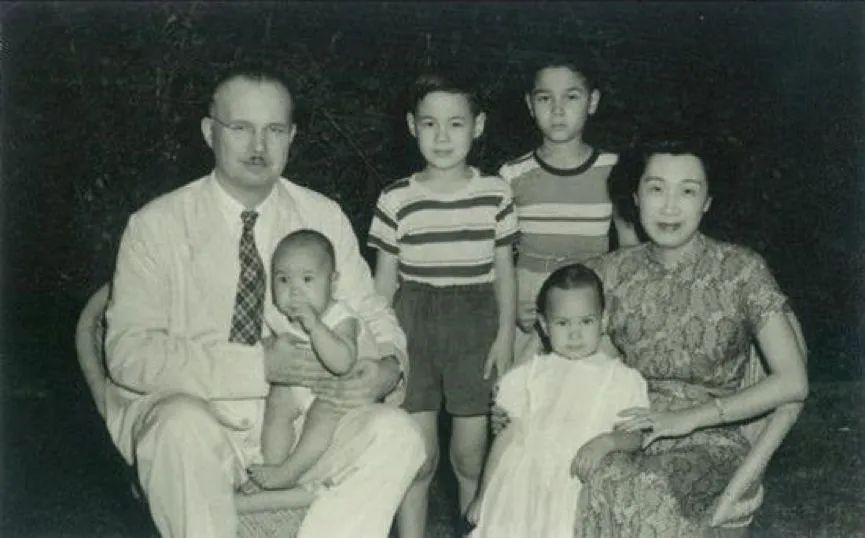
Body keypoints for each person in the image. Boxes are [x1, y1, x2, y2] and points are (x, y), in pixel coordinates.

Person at [103, 66, 425, 538]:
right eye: (241, 128)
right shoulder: (156, 226)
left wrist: (389, 368)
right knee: (180, 427)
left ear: (291, 137)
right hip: (199, 422)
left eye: (274, 130)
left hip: (305, 430)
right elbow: (128, 354)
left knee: (398, 435)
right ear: (209, 132)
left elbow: (373, 311)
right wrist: (258, 367)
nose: (259, 146)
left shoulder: (321, 216)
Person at [565, 137, 807, 535]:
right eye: (656, 189)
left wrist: (688, 419)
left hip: (709, 441)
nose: (670, 207)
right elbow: (551, 337)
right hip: (622, 431)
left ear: (707, 201)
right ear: (636, 197)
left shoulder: (740, 270)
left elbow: (793, 381)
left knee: (638, 489)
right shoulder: (609, 273)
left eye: (688, 191)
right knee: (595, 477)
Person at [367, 72, 518, 538]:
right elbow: (384, 281)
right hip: (413, 323)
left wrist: (505, 336)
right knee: (418, 457)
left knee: (470, 457)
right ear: (412, 126)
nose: (442, 136)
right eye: (430, 123)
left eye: (456, 123)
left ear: (478, 125)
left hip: (475, 327)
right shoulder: (396, 197)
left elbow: (505, 272)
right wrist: (380, 346)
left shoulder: (496, 192)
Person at [465, 264, 649, 538]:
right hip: (521, 487)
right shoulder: (529, 374)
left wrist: (608, 441)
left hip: (573, 484)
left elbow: (636, 437)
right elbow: (506, 438)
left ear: (604, 321)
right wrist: (483, 495)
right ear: (544, 325)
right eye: (563, 323)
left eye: (586, 322)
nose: (575, 334)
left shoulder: (621, 378)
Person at [497, 57, 640, 363]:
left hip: (591, 299)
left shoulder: (613, 168)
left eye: (571, 97)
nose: (557, 110)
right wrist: (511, 305)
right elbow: (500, 255)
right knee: (520, 383)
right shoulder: (511, 175)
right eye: (545, 98)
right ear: (530, 104)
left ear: (592, 101)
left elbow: (630, 251)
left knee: (596, 382)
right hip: (530, 304)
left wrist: (615, 305)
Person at [246, 229, 379, 492]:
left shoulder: (342, 317)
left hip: (339, 393)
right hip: (302, 387)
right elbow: (267, 347)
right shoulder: (278, 317)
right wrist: (266, 348)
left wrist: (316, 327)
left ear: (333, 282)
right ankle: (272, 466)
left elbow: (342, 362)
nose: (294, 291)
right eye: (283, 280)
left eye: (307, 279)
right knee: (278, 400)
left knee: (323, 412)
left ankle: (291, 471)